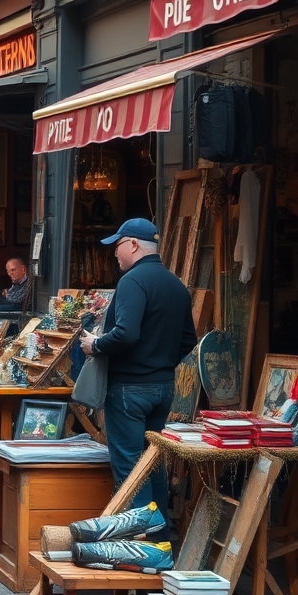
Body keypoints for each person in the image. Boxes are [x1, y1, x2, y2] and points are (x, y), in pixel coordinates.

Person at [80, 218, 197, 511]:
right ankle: (158, 539)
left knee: (131, 469)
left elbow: (126, 333)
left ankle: (139, 545)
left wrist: (95, 345)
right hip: (162, 387)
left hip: (129, 389)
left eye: (117, 246)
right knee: (150, 463)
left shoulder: (132, 281)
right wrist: (161, 362)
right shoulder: (176, 285)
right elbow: (188, 340)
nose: (115, 254)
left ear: (133, 245)